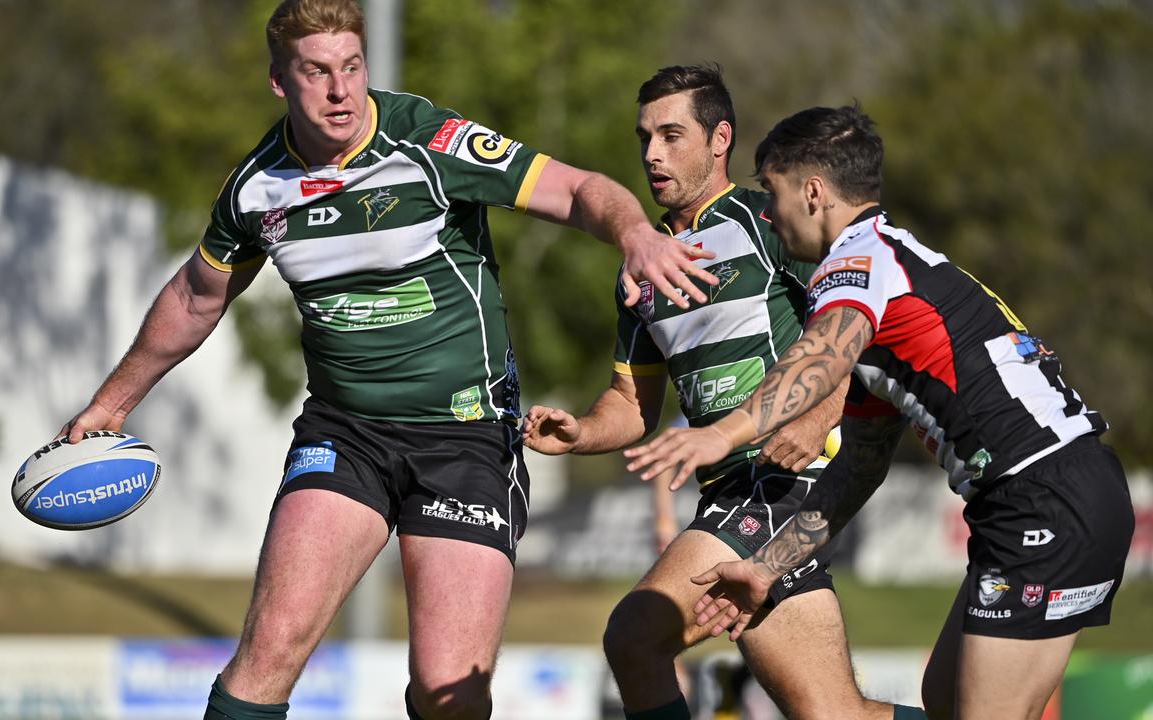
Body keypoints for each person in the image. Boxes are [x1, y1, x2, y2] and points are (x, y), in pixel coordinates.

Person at [57, 2, 721, 719]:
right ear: (280, 81)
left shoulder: (428, 141)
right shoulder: (256, 187)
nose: (341, 90)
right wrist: (113, 403)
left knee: (447, 696)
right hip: (346, 435)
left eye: (353, 66)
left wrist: (633, 236)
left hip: (466, 436)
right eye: (317, 71)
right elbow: (195, 296)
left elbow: (575, 187)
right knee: (269, 651)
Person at [627, 105, 1135, 720]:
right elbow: (859, 467)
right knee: (942, 702)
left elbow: (817, 356)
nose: (771, 212)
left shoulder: (858, 263)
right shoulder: (889, 289)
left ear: (813, 192)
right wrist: (766, 568)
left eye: (775, 192)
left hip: (1044, 495)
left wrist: (723, 434)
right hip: (1044, 495)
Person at [522, 66, 923, 720]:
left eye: (672, 134)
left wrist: (822, 408)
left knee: (635, 637)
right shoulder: (640, 267)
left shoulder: (771, 221)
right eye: (644, 136)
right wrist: (579, 434)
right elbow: (631, 408)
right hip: (731, 494)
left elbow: (858, 317)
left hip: (785, 480)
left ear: (719, 139)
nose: (652, 153)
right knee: (831, 713)